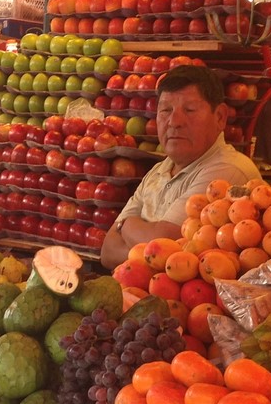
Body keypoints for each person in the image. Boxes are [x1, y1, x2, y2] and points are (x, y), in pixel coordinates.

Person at [100, 65, 257, 269]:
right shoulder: (158, 171)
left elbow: (164, 245)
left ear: (220, 117)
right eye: (166, 110)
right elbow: (107, 251)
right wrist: (148, 246)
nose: (174, 122)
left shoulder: (227, 169)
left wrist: (125, 224)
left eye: (189, 110)